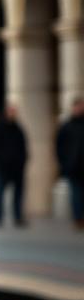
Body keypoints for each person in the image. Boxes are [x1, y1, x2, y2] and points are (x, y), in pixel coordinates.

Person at [0, 103, 28, 226]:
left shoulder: (18, 129)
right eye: (10, 112)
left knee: (18, 194)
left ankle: (18, 217)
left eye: (14, 112)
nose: (12, 114)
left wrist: (22, 161)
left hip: (17, 167)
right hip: (2, 167)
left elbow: (23, 148)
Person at [56, 97, 84, 228]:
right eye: (77, 106)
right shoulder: (67, 126)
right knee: (76, 194)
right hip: (72, 166)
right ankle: (78, 218)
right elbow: (59, 146)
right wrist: (64, 162)